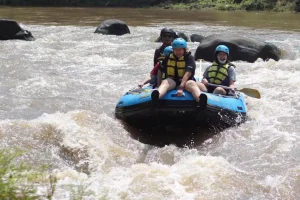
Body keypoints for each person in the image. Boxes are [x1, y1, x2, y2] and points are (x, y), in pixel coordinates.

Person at [151, 38, 207, 109]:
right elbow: (160, 70)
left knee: (191, 84)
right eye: (176, 50)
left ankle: (200, 100)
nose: (178, 52)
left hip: (186, 82)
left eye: (180, 50)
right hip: (172, 81)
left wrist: (181, 88)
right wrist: (158, 85)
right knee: (165, 82)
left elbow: (188, 74)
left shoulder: (189, 58)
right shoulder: (168, 57)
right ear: (173, 50)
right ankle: (157, 97)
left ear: (184, 49)